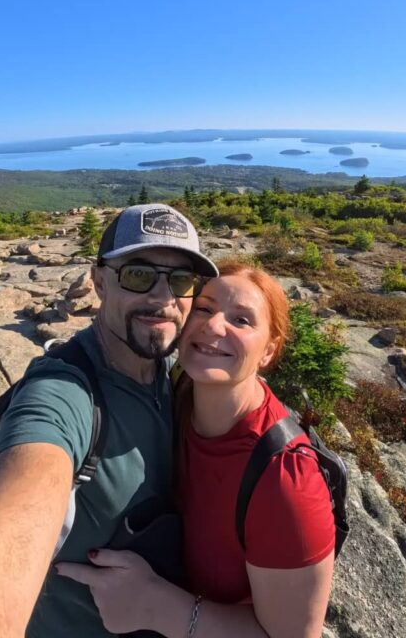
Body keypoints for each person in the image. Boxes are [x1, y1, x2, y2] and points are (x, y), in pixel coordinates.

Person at [0, 203, 219, 638]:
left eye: (181, 281)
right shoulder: (63, 395)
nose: (162, 298)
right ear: (98, 281)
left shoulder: (169, 370)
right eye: (138, 275)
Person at [56, 261, 336, 638]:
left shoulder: (285, 481)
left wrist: (157, 606)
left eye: (242, 320)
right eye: (204, 308)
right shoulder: (173, 395)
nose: (213, 326)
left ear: (268, 351)